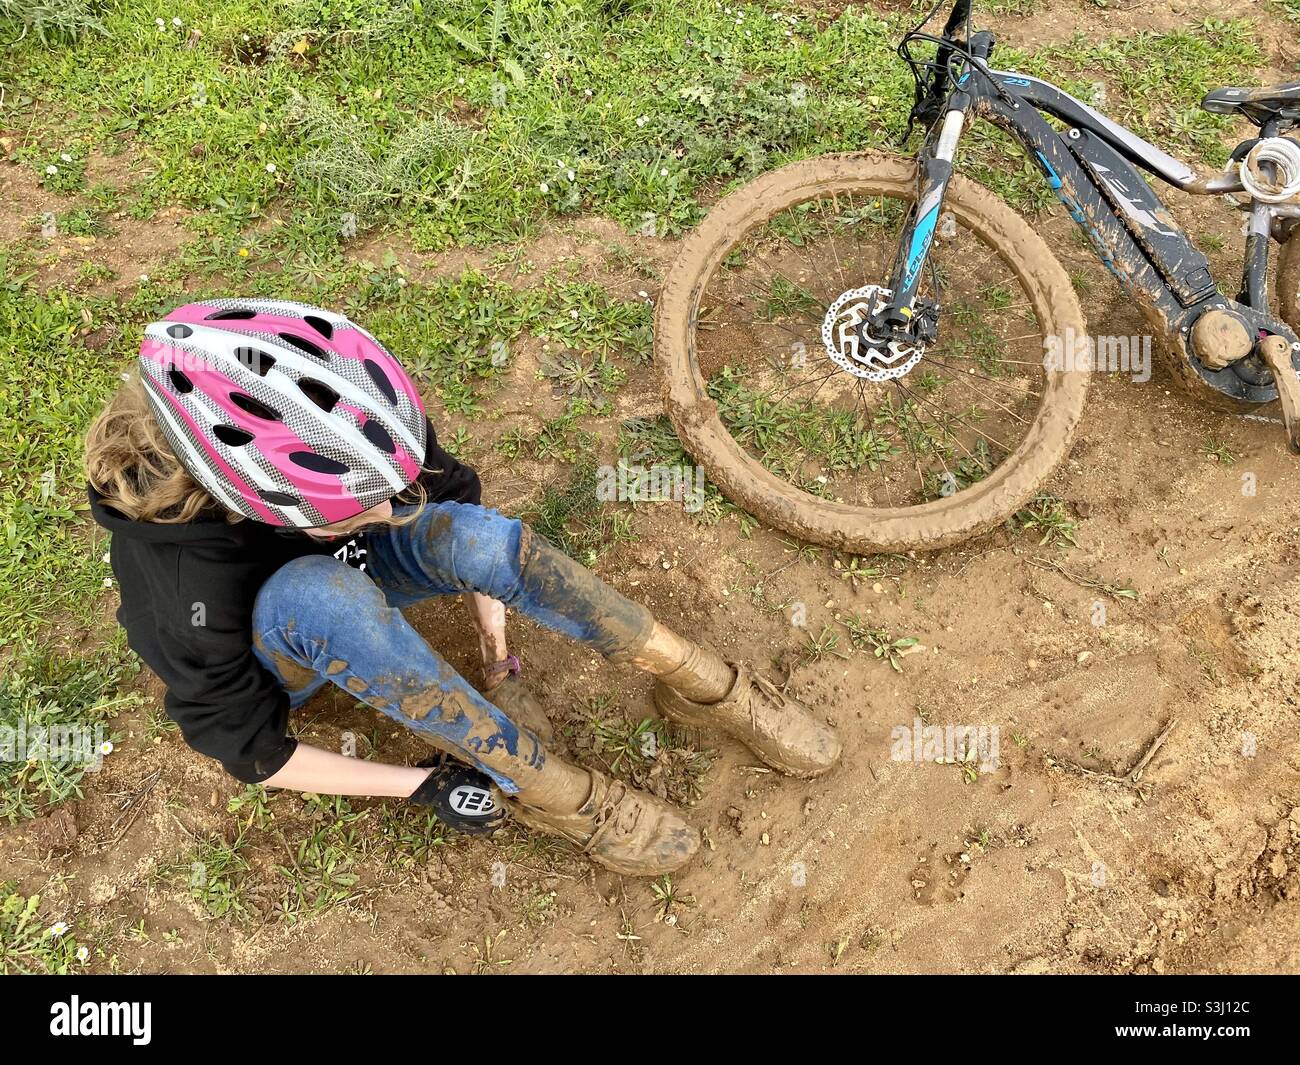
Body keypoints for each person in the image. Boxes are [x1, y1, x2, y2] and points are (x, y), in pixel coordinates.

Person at [84, 298, 841, 876]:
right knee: (319, 597)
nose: (393, 511)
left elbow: (457, 502)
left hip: (327, 556)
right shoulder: (185, 588)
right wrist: (418, 784)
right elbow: (254, 754)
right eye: (356, 508)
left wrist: (496, 645)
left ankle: (696, 678)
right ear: (256, 501)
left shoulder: (340, 422)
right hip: (286, 642)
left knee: (471, 533)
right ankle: (550, 792)